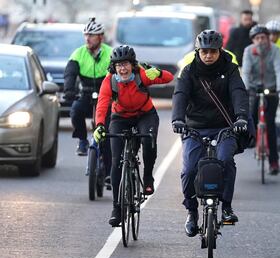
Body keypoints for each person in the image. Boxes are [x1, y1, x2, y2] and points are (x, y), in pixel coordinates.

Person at [171, 30, 249, 237]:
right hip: (194, 127)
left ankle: (227, 207)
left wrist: (240, 117)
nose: (208, 56)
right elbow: (180, 94)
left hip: (224, 126)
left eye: (212, 52)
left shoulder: (230, 69)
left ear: (219, 51)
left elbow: (238, 92)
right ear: (198, 51)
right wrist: (178, 119)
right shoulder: (189, 71)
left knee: (225, 161)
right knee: (188, 170)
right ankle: (191, 212)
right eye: (204, 52)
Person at [93, 45, 173, 227]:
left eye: (126, 64)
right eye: (119, 65)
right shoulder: (109, 81)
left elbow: (169, 78)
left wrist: (157, 72)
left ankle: (147, 177)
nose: (123, 68)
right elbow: (102, 104)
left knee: (148, 139)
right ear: (114, 67)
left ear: (132, 64)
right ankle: (116, 208)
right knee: (116, 161)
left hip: (145, 115)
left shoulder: (141, 75)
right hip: (120, 118)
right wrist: (99, 125)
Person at [63, 17, 112, 156]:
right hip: (86, 92)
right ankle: (82, 140)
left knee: (109, 120)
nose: (87, 38)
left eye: (91, 35)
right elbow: (70, 74)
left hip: (106, 94)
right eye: (86, 35)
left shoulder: (110, 53)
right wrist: (69, 90)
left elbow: (118, 74)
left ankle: (107, 147)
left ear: (101, 37)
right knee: (75, 111)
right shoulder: (79, 53)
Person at [242, 24, 280, 175]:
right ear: (253, 40)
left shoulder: (275, 50)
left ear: (268, 38)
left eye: (263, 37)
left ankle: (274, 162)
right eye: (257, 38)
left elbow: (279, 70)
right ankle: (252, 140)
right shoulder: (248, 51)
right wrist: (245, 89)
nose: (260, 40)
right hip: (253, 88)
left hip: (271, 89)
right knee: (251, 117)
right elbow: (246, 72)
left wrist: (279, 89)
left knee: (270, 125)